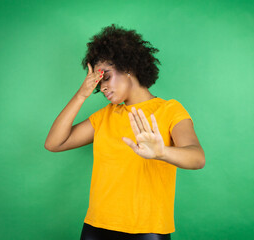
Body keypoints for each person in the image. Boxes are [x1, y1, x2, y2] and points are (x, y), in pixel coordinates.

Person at [45, 24, 205, 240]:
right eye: (98, 84)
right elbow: (54, 143)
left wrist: (162, 152)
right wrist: (81, 95)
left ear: (128, 67)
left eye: (106, 77)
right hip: (96, 227)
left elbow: (197, 157)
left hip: (147, 230)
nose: (102, 87)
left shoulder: (169, 110)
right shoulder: (104, 116)